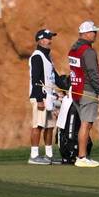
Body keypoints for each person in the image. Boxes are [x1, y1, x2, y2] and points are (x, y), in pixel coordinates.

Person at [68, 20, 99, 167]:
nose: (95, 35)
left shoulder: (73, 49)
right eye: (93, 32)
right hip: (87, 91)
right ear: (87, 33)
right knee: (86, 124)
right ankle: (82, 157)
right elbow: (93, 73)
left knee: (84, 123)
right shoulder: (88, 51)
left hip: (76, 90)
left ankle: (82, 155)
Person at [28, 28, 60, 164]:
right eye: (48, 38)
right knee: (38, 126)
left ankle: (48, 155)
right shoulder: (37, 56)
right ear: (41, 40)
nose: (50, 41)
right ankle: (34, 156)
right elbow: (35, 79)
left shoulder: (48, 57)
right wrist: (40, 100)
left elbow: (55, 77)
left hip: (49, 97)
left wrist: (66, 87)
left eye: (50, 38)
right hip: (40, 97)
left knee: (49, 127)